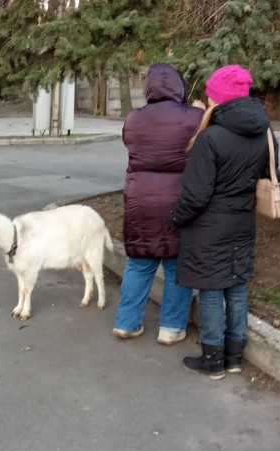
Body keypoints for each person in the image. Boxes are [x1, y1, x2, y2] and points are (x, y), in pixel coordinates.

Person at [169, 64, 280, 378]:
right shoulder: (265, 132)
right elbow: (271, 176)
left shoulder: (210, 138)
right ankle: (233, 357)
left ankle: (213, 359)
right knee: (236, 286)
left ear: (218, 99)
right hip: (243, 223)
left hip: (209, 227)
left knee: (211, 290)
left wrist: (175, 218)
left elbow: (195, 196)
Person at [112, 63, 204, 344]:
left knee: (139, 263)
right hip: (181, 200)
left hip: (141, 199)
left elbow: (129, 143)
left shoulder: (134, 118)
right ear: (180, 87)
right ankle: (171, 328)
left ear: (148, 88)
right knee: (177, 266)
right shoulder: (195, 117)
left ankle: (127, 323)